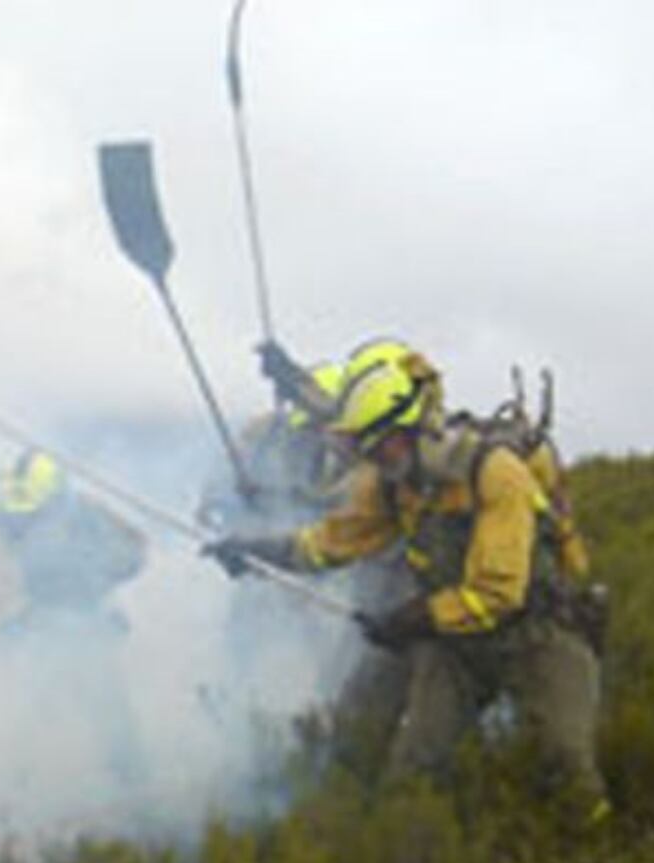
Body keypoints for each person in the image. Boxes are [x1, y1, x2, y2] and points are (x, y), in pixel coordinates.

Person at [202, 341, 611, 825]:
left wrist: (412, 618)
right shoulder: (393, 481)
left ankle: (597, 851)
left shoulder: (496, 474)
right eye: (365, 448)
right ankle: (407, 856)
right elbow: (334, 542)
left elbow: (498, 594)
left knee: (565, 764)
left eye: (378, 444)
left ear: (411, 427)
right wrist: (257, 550)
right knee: (412, 773)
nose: (372, 457)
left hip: (538, 637)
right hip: (456, 647)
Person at [0, 449, 149, 786]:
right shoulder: (0, 523)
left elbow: (136, 551)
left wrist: (96, 577)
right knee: (27, 721)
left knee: (111, 717)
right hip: (37, 631)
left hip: (89, 625)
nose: (23, 520)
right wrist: (11, 621)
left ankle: (135, 789)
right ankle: (8, 795)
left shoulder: (86, 512)